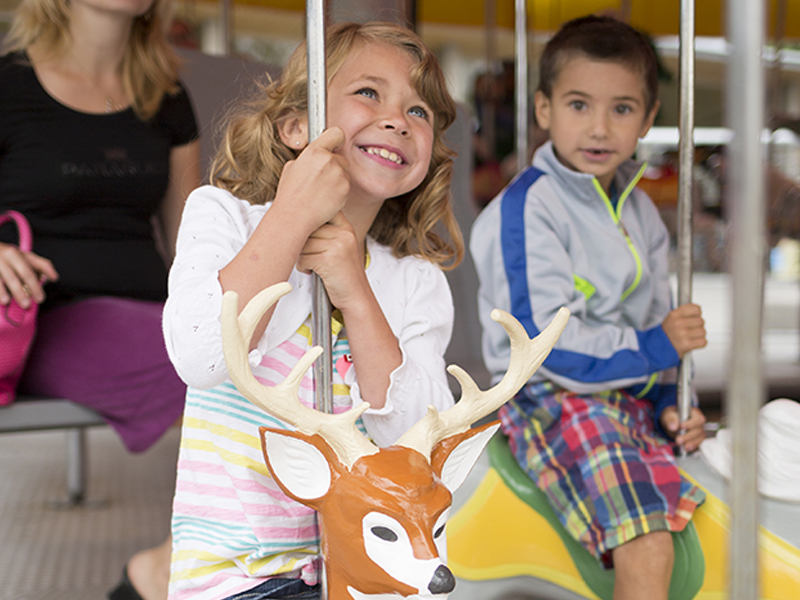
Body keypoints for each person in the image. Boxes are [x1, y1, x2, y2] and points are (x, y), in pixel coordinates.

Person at [162, 21, 463, 600]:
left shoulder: (414, 281)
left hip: (367, 568)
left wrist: (354, 288)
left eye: (420, 111)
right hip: (236, 577)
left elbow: (415, 440)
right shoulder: (222, 218)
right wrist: (291, 217)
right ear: (297, 126)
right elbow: (201, 356)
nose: (398, 119)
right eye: (369, 93)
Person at [470, 15, 708, 600]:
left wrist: (671, 399)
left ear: (649, 119)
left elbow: (655, 317)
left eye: (622, 109)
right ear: (544, 109)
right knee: (646, 538)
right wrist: (657, 347)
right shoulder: (528, 207)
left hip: (619, 392)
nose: (600, 127)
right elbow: (543, 342)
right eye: (579, 105)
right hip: (551, 395)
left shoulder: (641, 211)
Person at [0, 0, 201, 598]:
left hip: (146, 312)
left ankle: (169, 565)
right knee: (225, 373)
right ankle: (169, 570)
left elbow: (196, 246)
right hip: (42, 317)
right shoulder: (8, 86)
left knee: (253, 352)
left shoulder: (166, 96)